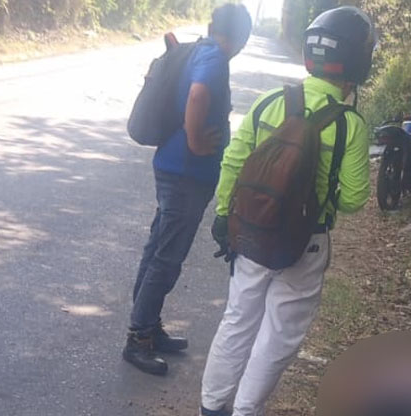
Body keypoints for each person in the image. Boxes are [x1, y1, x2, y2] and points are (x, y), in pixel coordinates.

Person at [200, 6, 376, 415]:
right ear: (357, 62)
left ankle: (211, 407)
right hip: (305, 243)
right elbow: (353, 200)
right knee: (278, 334)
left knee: (238, 318)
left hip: (252, 233)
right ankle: (245, 410)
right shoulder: (350, 125)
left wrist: (225, 214)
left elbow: (233, 162)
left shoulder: (268, 103)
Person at [123, 3, 253, 376]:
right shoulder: (215, 58)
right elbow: (197, 96)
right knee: (166, 258)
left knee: (157, 250)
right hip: (185, 175)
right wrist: (196, 142)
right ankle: (138, 338)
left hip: (172, 168)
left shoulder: (200, 49)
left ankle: (148, 325)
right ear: (240, 36)